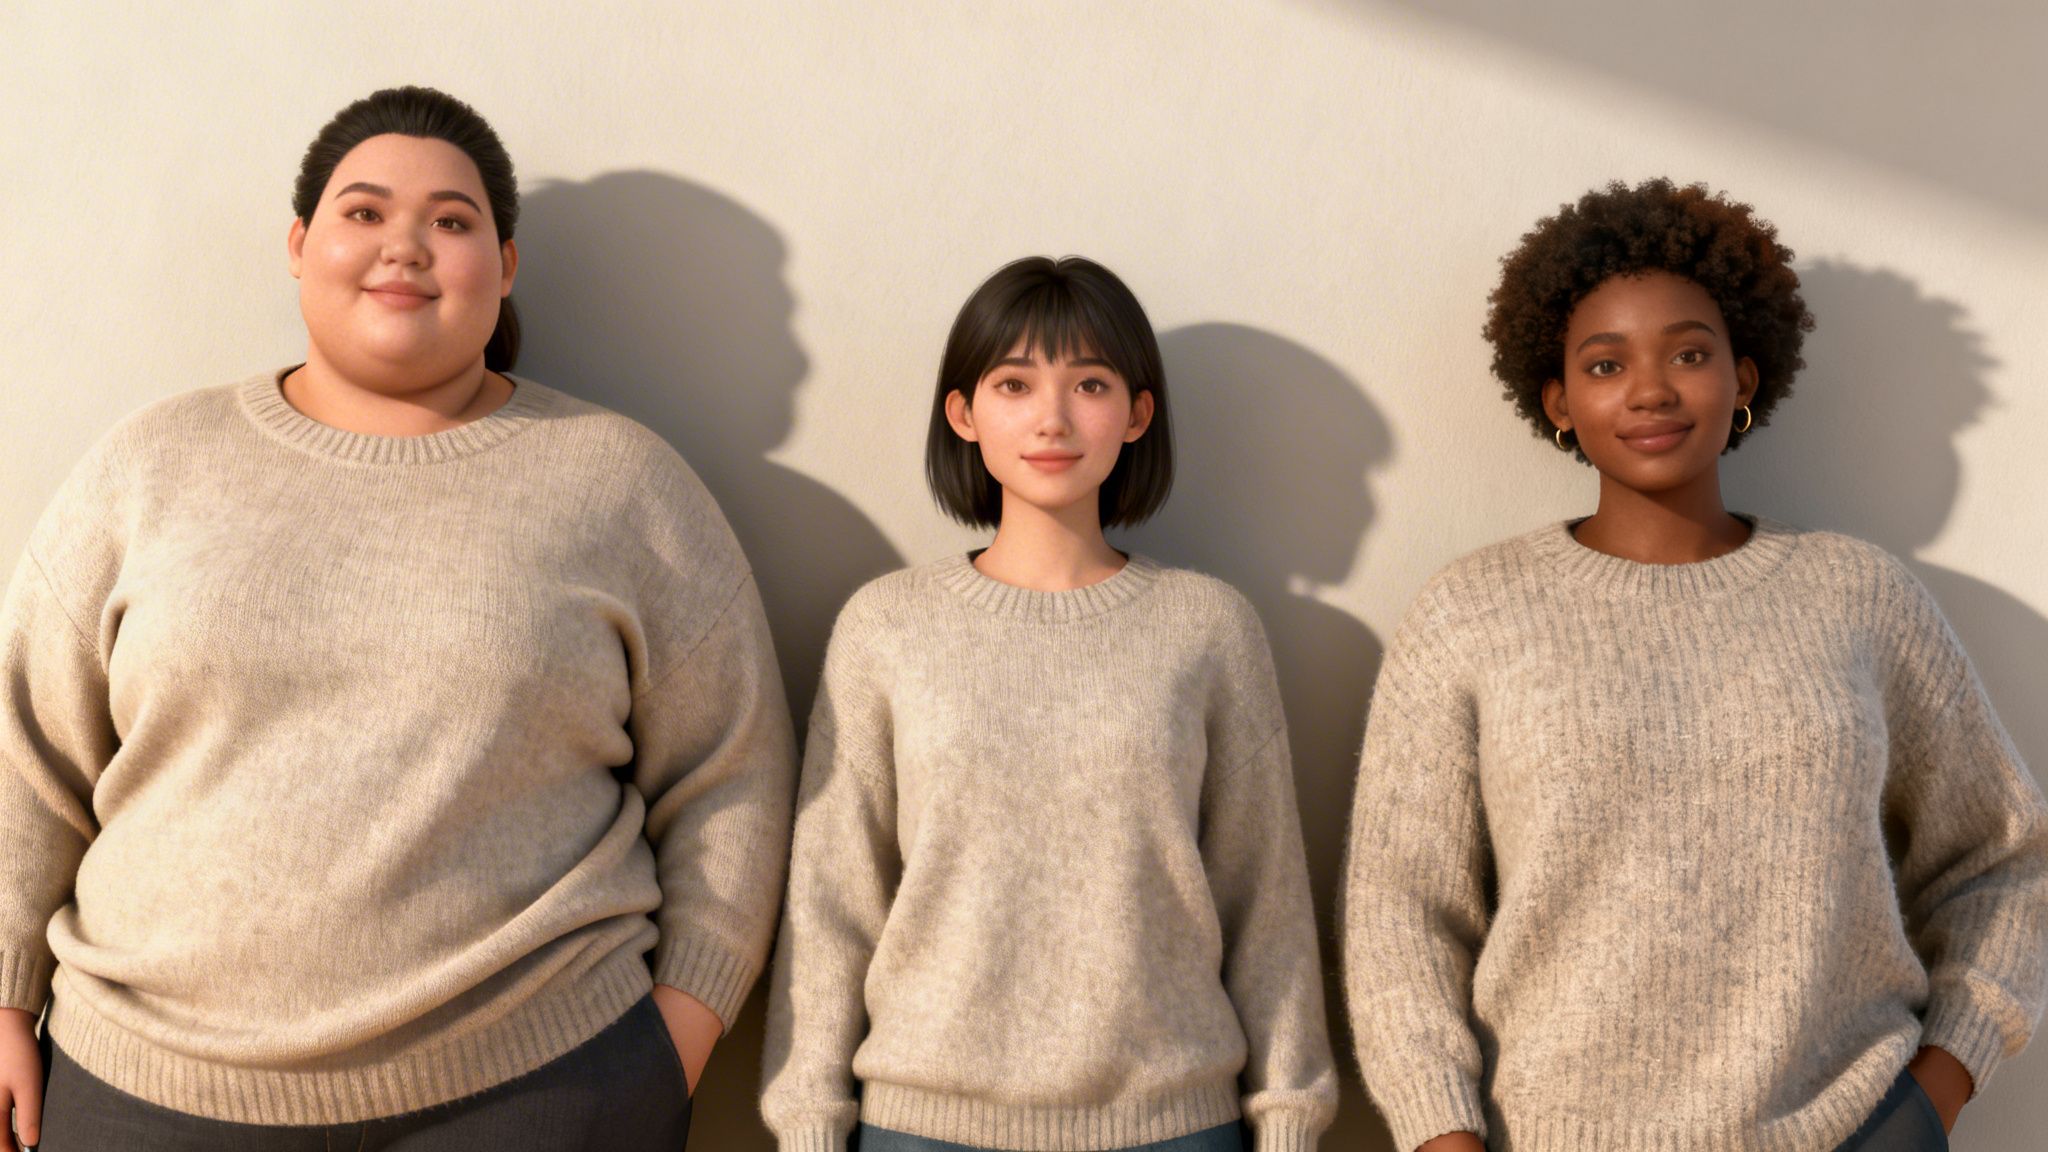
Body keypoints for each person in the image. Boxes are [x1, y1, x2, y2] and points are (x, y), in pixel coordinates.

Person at [0, 86, 796, 1151]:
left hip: (536, 1093)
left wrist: (674, 1042)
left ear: (504, 265)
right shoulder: (149, 465)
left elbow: (733, 772)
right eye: (364, 212)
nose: (405, 247)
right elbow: (26, 754)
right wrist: (4, 993)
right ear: (299, 243)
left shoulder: (619, 483)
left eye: (451, 222)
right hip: (145, 1091)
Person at [1342, 178, 2048, 1152]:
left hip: (1849, 1129)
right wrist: (1441, 1139)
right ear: (1555, 400)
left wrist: (1935, 1092)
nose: (1649, 390)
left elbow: (2003, 861)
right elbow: (1400, 916)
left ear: (1742, 378)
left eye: (1686, 352)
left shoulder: (1857, 597)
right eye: (1603, 363)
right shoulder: (1472, 613)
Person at [760, 257, 1337, 1152]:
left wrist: (1292, 1118)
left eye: (1091, 384)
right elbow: (833, 905)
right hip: (922, 1126)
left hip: (1174, 1125)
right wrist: (806, 1124)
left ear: (1138, 414)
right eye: (1014, 383)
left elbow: (1266, 906)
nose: (1053, 419)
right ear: (963, 413)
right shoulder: (887, 627)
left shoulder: (1210, 629)